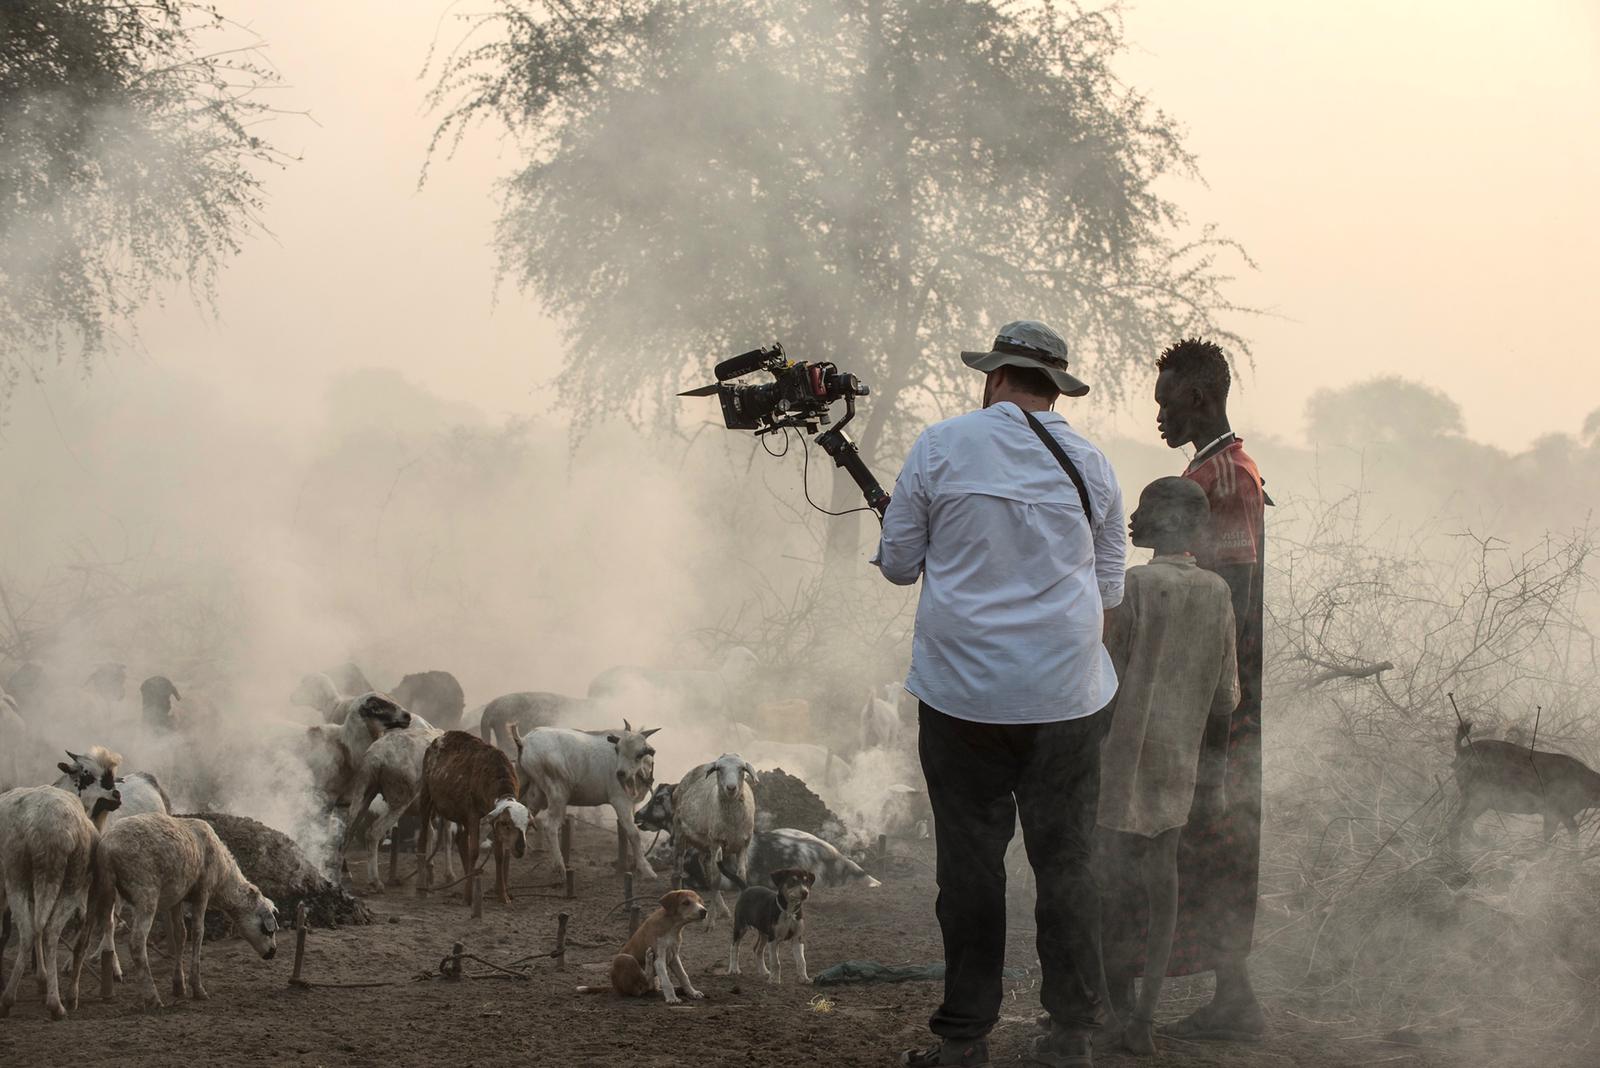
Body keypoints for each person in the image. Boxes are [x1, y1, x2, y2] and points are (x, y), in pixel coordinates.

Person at [874, 320, 1126, 1068]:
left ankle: (963, 1040)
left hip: (962, 700)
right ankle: (1073, 1033)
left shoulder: (940, 446)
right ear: (1056, 386)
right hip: (1070, 700)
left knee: (971, 868)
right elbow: (1108, 590)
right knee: (1068, 862)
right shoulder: (1093, 464)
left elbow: (896, 564)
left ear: (993, 378)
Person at [1095, 477, 1239, 1055]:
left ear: (1165, 523)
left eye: (1144, 511)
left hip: (1121, 759)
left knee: (1108, 889)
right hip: (1177, 763)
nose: (1132, 519)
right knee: (1163, 886)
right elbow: (1226, 697)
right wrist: (1218, 775)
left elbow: (1105, 681)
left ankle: (1111, 1012)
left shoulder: (1135, 586)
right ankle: (1145, 1020)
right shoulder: (1218, 592)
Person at [1150, 337, 1269, 1040]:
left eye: (1166, 401)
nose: (1159, 417)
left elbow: (1229, 604)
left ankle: (1236, 1000)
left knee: (1217, 839)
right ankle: (1232, 995)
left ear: (1196, 396)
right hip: (1215, 694)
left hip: (1220, 700)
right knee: (1211, 841)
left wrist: (1210, 712)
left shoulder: (1224, 477)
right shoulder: (1217, 468)